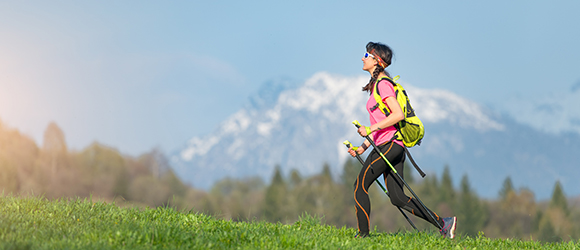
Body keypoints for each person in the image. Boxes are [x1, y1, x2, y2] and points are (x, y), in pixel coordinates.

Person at [348, 41, 457, 238]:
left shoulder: (383, 85)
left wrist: (370, 128)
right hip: (389, 145)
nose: (362, 58)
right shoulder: (376, 86)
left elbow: (397, 115)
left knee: (359, 187)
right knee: (398, 198)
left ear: (377, 60)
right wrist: (362, 148)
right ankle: (444, 223)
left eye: (366, 55)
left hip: (389, 146)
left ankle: (363, 236)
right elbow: (382, 123)